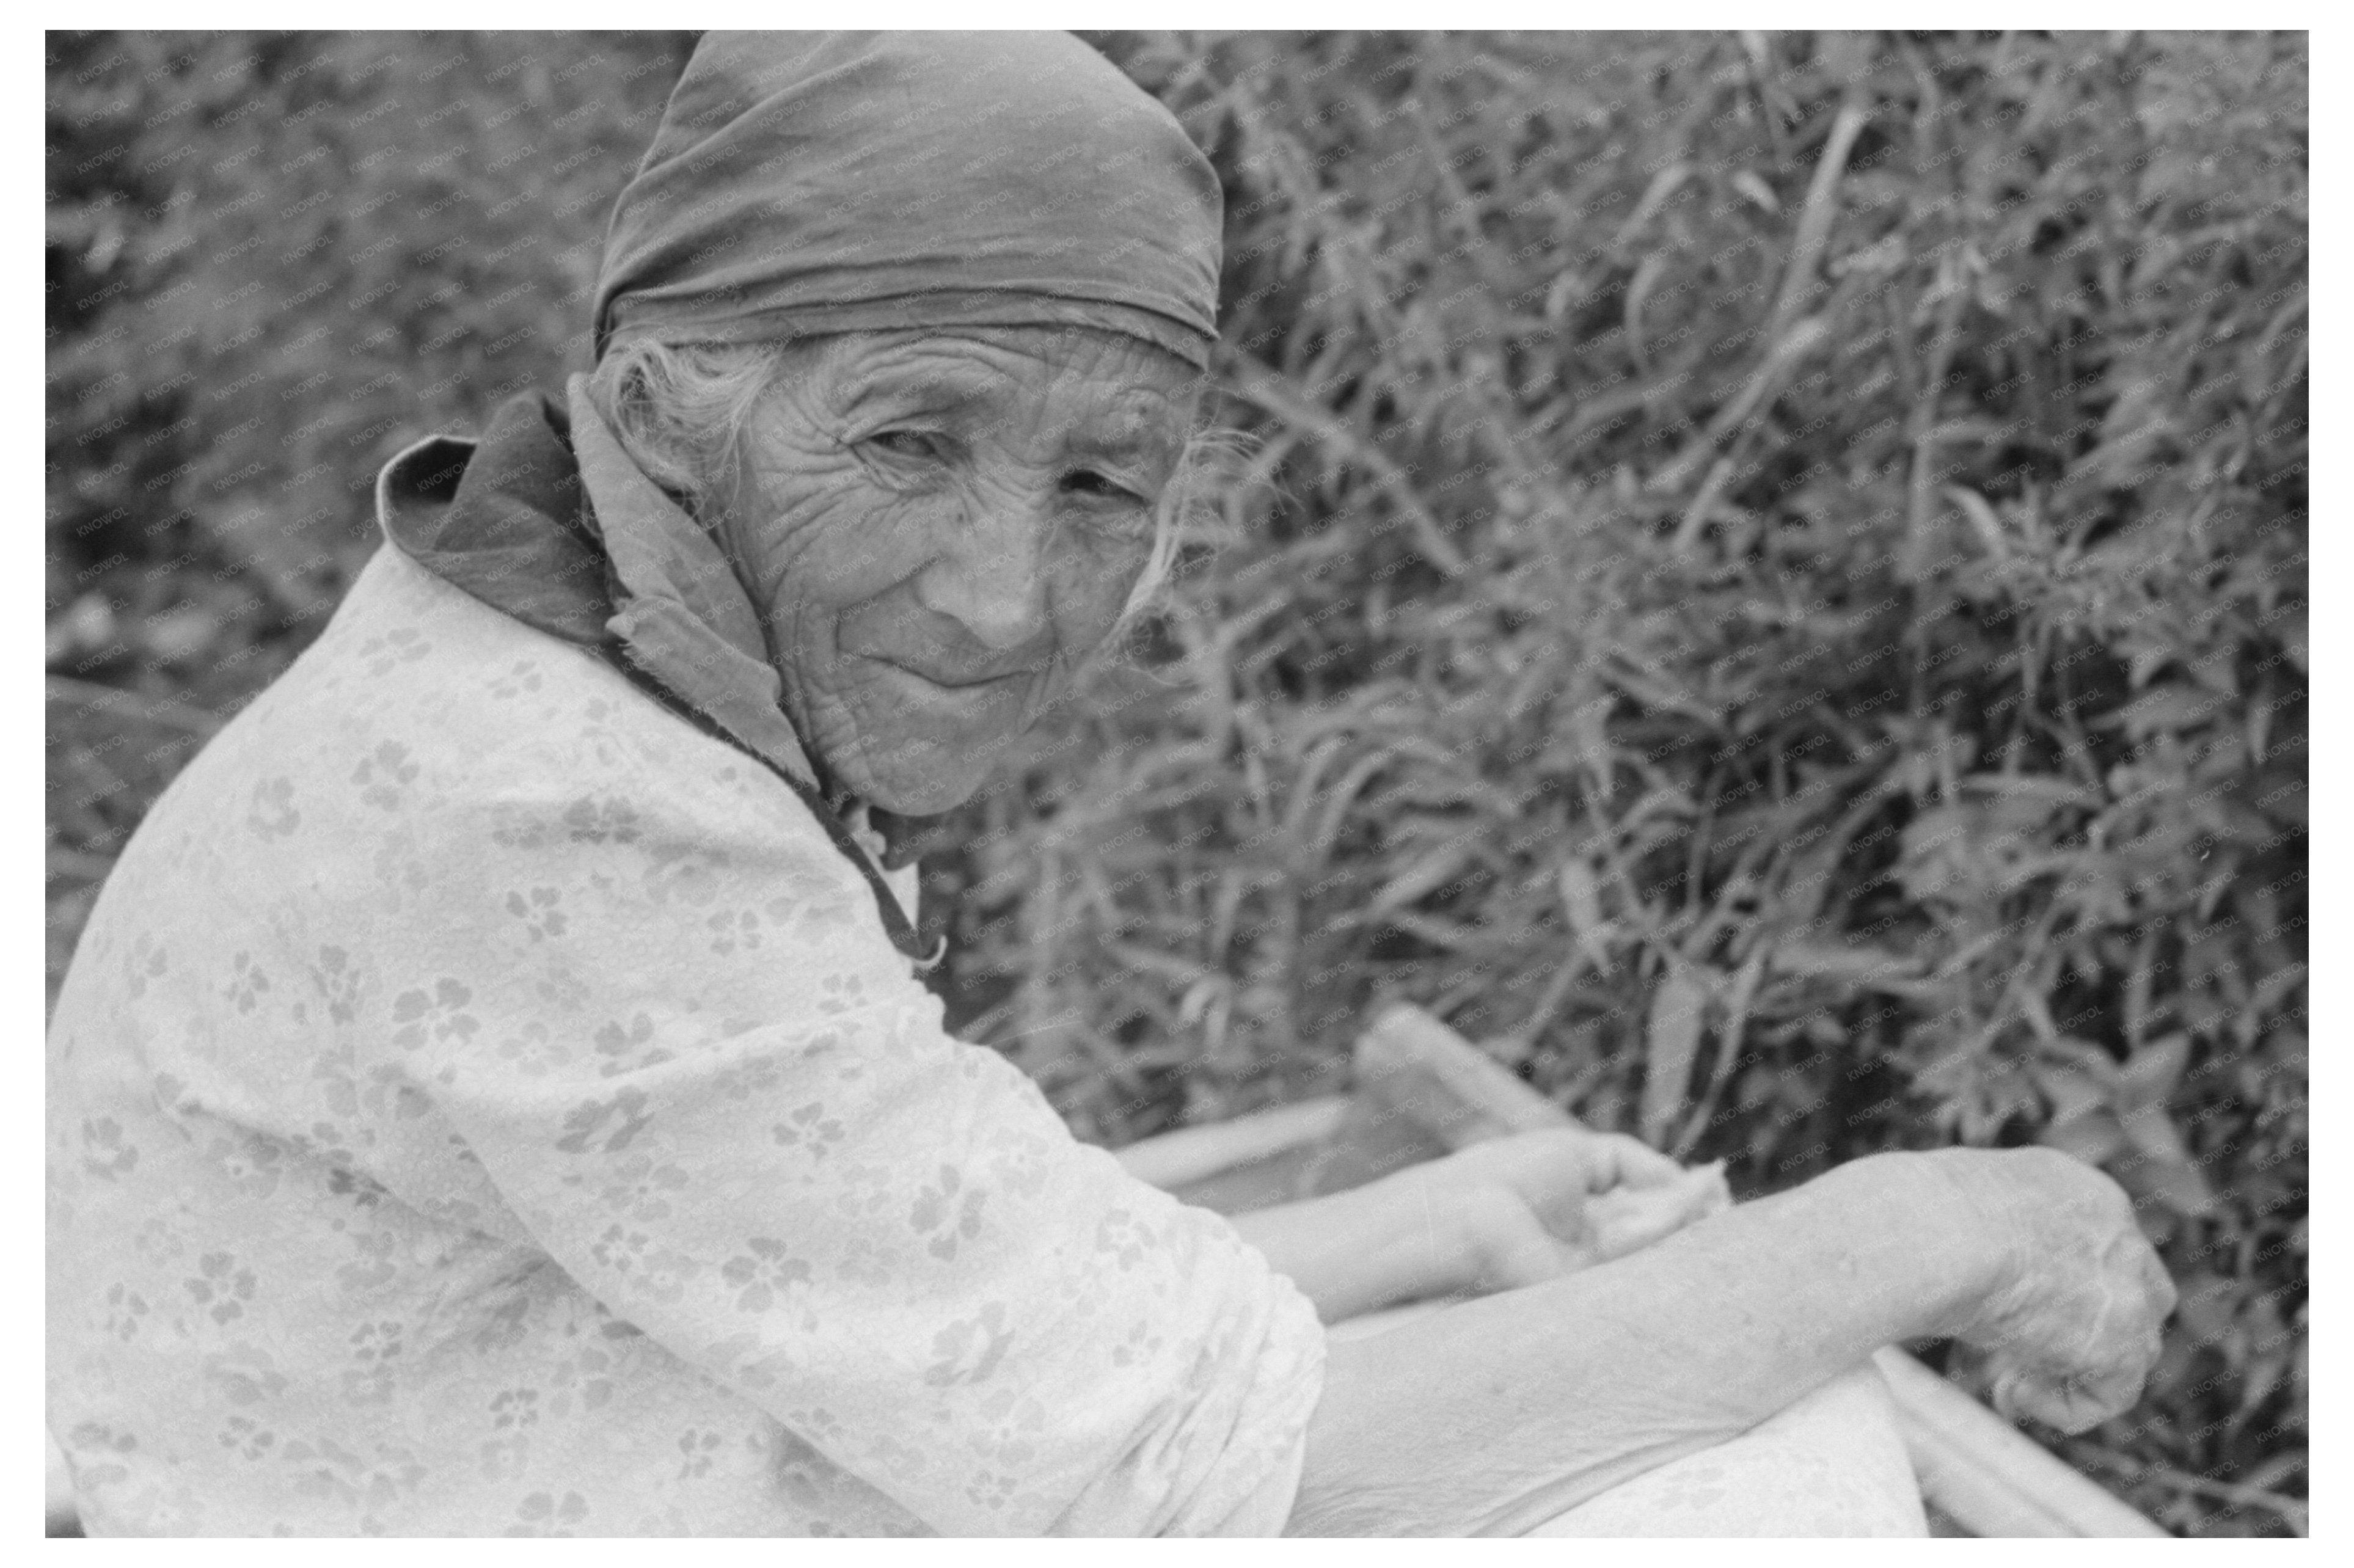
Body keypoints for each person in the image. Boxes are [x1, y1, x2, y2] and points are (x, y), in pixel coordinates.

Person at [46, 31, 2173, 1537]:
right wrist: (1936, 1219)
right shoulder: (550, 816)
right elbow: (1199, 1469)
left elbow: (871, 1239)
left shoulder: (571, 644)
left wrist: (1424, 1213)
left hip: (542, 1447)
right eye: (906, 441)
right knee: (1770, 1473)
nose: (997, 602)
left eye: (1099, 485)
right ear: (662, 397)